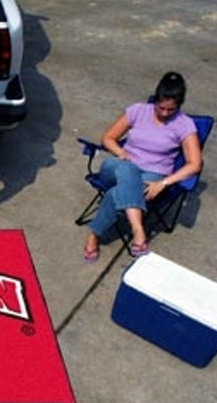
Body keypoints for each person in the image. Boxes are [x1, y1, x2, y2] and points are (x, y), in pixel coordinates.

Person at [83, 71, 202, 262]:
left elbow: (195, 164)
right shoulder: (138, 111)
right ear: (155, 99)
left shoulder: (184, 124)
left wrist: (164, 183)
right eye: (160, 107)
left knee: (116, 193)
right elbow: (108, 138)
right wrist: (121, 153)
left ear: (179, 106)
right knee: (127, 169)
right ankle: (138, 229)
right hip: (117, 167)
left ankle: (93, 236)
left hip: (153, 176)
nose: (164, 113)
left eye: (170, 110)